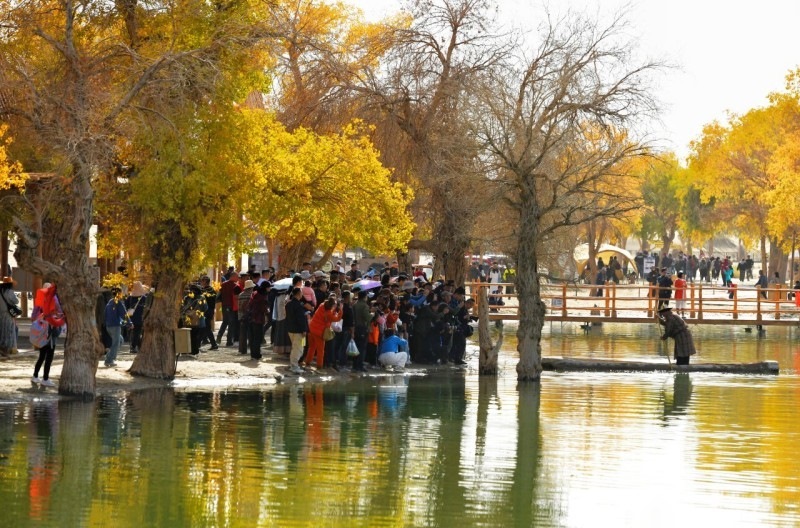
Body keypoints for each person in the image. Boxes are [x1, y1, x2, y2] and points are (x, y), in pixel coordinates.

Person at [305, 296, 342, 369]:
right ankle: (319, 366)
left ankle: (308, 362)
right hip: (319, 332)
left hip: (311, 328)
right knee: (320, 350)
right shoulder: (328, 313)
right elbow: (337, 318)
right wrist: (340, 310)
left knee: (311, 347)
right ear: (332, 305)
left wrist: (334, 309)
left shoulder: (321, 305)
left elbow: (329, 312)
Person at [104, 286, 132, 367]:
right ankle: (110, 360)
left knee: (120, 340)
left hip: (108, 326)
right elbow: (124, 314)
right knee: (116, 343)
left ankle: (108, 357)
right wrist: (130, 323)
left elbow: (105, 314)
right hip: (115, 326)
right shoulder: (118, 302)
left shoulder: (109, 302)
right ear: (119, 293)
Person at [285, 287, 309, 374]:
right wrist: (304, 330)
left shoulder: (288, 304)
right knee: (298, 349)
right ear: (299, 294)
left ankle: (294, 364)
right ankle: (294, 366)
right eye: (301, 292)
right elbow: (301, 319)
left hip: (290, 329)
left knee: (296, 348)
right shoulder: (298, 305)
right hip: (298, 331)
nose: (302, 294)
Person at [247, 281, 271, 360]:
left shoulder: (254, 293)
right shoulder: (263, 296)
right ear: (265, 288)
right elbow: (264, 308)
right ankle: (257, 354)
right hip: (258, 319)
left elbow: (250, 305)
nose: (269, 289)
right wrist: (267, 312)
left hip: (251, 318)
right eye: (269, 287)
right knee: (257, 338)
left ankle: (253, 354)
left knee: (252, 337)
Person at [216, 271, 241, 346]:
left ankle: (219, 337)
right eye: (237, 277)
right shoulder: (235, 286)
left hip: (224, 305)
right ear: (233, 276)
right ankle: (229, 341)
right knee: (231, 323)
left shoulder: (223, 284)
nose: (238, 278)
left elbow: (219, 294)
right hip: (231, 306)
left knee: (225, 322)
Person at [125, 280, 149, 354]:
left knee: (135, 333)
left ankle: (139, 346)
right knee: (137, 332)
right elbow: (147, 308)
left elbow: (126, 307)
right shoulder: (144, 298)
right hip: (140, 318)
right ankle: (133, 346)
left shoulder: (129, 298)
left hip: (131, 318)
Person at [0, 276, 20, 358]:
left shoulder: (0, 291)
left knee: (2, 330)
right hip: (8, 314)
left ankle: (2, 347)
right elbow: (16, 301)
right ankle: (9, 348)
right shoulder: (10, 292)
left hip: (1, 314)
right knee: (10, 330)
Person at [237, 279, 256, 355]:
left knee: (242, 334)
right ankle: (252, 349)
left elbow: (239, 306)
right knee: (251, 334)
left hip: (241, 316)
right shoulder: (252, 295)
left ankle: (242, 349)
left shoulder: (240, 295)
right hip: (250, 316)